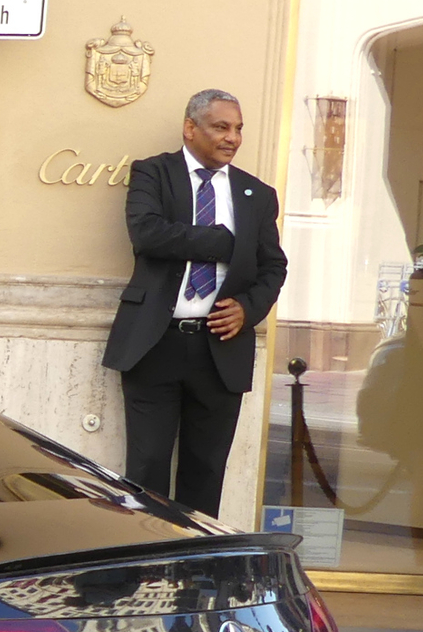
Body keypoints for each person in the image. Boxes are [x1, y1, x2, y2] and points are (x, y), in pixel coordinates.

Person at [101, 89, 288, 516]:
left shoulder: (256, 195)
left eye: (238, 128)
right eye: (221, 127)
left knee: (205, 473)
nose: (233, 138)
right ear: (191, 128)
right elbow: (148, 234)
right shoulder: (153, 173)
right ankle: (142, 567)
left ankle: (194, 572)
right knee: (146, 471)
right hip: (155, 344)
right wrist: (225, 241)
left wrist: (248, 308)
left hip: (219, 349)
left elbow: (272, 267)